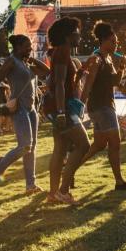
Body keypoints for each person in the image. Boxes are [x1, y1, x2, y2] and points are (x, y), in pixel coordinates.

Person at [0, 34, 50, 194]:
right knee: (25, 146)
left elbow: (46, 71)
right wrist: (2, 104)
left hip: (32, 110)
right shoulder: (12, 61)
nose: (30, 49)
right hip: (19, 109)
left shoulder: (25, 62)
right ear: (17, 47)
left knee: (32, 147)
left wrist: (32, 59)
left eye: (30, 46)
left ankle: (31, 185)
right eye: (27, 46)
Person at [79, 22, 126, 191]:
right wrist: (79, 107)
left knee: (98, 145)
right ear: (103, 40)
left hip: (105, 105)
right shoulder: (96, 58)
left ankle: (70, 169)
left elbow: (114, 82)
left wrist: (122, 67)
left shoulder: (108, 58)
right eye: (113, 41)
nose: (116, 44)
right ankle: (119, 181)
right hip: (101, 107)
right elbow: (88, 85)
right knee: (115, 143)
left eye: (116, 42)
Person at [44, 17, 89, 204]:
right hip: (61, 107)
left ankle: (54, 194)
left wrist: (78, 75)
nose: (80, 35)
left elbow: (60, 81)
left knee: (60, 150)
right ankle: (63, 191)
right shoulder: (62, 52)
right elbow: (60, 84)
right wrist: (62, 112)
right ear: (68, 35)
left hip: (57, 106)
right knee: (84, 145)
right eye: (77, 31)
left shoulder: (61, 52)